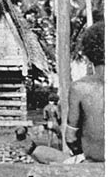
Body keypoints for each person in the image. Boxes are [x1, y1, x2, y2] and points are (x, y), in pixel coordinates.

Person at [32, 22, 105, 164]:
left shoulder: (80, 88)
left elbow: (70, 138)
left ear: (89, 56)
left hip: (94, 161)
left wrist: (81, 152)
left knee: (39, 152)